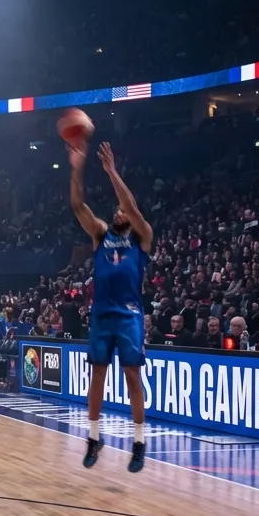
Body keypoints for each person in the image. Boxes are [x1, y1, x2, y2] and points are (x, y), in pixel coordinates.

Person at [71, 141, 152, 473]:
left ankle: (138, 443)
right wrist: (76, 167)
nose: (119, 211)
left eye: (123, 211)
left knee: (132, 375)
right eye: (116, 209)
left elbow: (130, 204)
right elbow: (78, 206)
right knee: (97, 375)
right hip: (102, 314)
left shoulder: (142, 236)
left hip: (130, 315)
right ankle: (93, 437)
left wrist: (110, 171)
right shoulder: (101, 235)